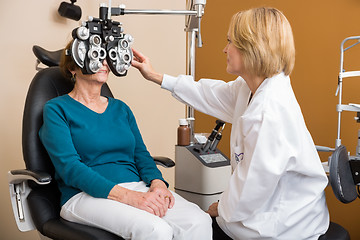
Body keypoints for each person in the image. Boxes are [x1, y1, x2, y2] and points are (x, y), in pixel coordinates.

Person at [131, 7, 330, 240]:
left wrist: (220, 208)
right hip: (268, 210)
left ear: (252, 47)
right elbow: (210, 94)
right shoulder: (252, 87)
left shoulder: (269, 112)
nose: (224, 49)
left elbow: (252, 188)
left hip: (285, 225)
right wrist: (157, 76)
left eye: (230, 42)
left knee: (199, 226)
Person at [38, 40, 212, 240]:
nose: (104, 62)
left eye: (105, 56)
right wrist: (130, 198)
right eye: (94, 55)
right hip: (83, 195)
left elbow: (141, 155)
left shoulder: (121, 109)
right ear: (72, 67)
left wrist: (157, 184)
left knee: (198, 221)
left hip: (136, 186)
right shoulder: (57, 109)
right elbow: (70, 168)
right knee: (155, 229)